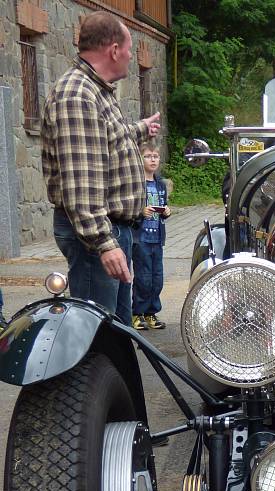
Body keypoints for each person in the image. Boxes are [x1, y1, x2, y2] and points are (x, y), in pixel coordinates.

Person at [41, 11, 160, 325]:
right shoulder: (78, 95)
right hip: (95, 236)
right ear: (114, 50)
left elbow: (109, 139)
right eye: (130, 48)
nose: (132, 56)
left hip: (110, 231)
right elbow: (82, 185)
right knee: (95, 338)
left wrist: (141, 129)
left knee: (114, 335)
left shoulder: (95, 90)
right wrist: (104, 244)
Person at [132, 143, 170, 330]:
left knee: (157, 278)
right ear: (140, 159)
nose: (153, 159)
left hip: (157, 239)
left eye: (156, 156)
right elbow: (129, 209)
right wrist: (140, 212)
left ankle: (151, 313)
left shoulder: (160, 184)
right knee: (143, 278)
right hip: (142, 239)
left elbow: (164, 206)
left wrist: (166, 211)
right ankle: (137, 313)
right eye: (148, 156)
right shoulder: (137, 184)